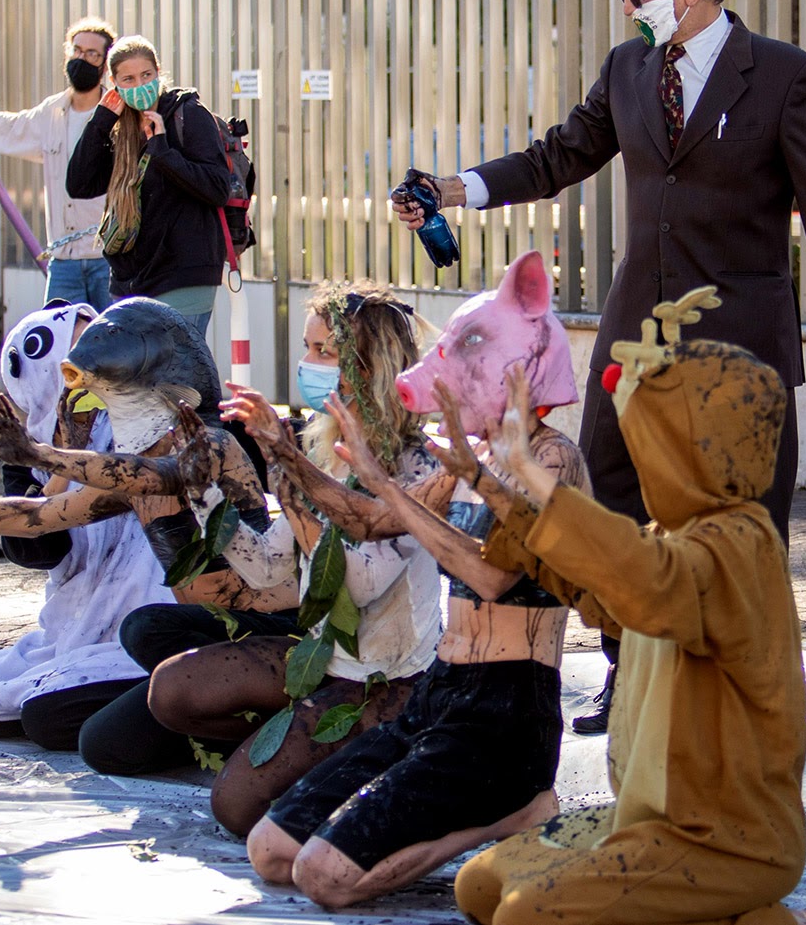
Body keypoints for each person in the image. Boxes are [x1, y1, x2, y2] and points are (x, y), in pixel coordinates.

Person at [393, 0, 806, 734]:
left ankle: (745, 686)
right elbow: (558, 157)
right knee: (613, 496)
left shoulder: (784, 74)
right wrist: (455, 189)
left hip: (741, 337)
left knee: (750, 516)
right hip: (634, 332)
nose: (629, 8)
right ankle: (629, 670)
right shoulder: (628, 68)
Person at [448, 288, 806, 925]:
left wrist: (535, 477)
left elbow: (650, 581)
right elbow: (601, 592)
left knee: (525, 914)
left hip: (725, 840)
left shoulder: (742, 544)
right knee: (480, 885)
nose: (637, 460)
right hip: (642, 821)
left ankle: (752, 909)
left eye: (648, 442)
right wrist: (493, 482)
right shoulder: (668, 538)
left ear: (694, 449)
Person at [245, 251, 584, 907]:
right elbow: (370, 521)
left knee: (322, 876)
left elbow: (492, 573)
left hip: (508, 710)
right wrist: (284, 453)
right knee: (271, 849)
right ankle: (486, 812)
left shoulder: (553, 460)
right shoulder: (469, 455)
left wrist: (385, 487)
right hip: (442, 688)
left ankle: (511, 813)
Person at [138, 281, 443, 836]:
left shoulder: (416, 465)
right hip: (325, 660)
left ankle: (374, 754)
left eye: (324, 351)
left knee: (234, 809)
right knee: (171, 691)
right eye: (308, 347)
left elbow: (359, 585)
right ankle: (308, 747)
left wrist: (287, 471)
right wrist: (204, 492)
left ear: (368, 365)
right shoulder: (321, 446)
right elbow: (267, 569)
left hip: (389, 681)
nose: (307, 363)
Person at [0, 301, 165, 750]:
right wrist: (55, 459)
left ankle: (133, 697)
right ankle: (69, 692)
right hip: (71, 630)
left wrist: (69, 455)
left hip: (149, 621)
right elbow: (35, 550)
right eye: (80, 356)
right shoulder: (24, 448)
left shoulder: (150, 423)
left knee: (45, 714)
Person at [66, 35, 230, 335]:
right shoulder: (119, 128)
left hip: (183, 276)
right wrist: (102, 118)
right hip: (130, 279)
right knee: (134, 380)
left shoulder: (188, 115)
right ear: (114, 85)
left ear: (158, 73)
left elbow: (217, 187)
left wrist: (162, 148)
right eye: (128, 79)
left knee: (175, 376)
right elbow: (79, 184)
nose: (140, 85)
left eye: (146, 75)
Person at [0, 17, 116, 310]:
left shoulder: (116, 116)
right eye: (77, 51)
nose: (82, 59)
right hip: (64, 260)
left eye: (92, 54)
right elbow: (13, 127)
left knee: (115, 344)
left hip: (107, 259)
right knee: (60, 345)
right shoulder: (51, 113)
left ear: (105, 64)